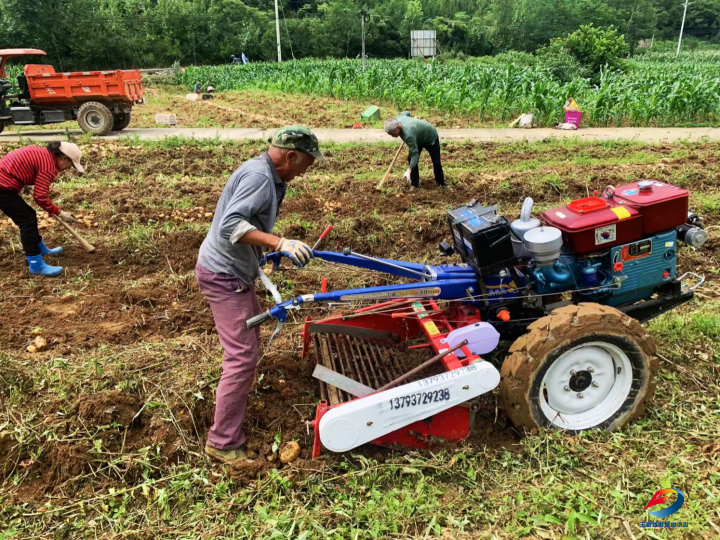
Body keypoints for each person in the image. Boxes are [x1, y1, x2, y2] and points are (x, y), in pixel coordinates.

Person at [196, 126, 325, 464]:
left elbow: (245, 226)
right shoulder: (258, 177)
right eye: (307, 163)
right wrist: (279, 242)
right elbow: (230, 225)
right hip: (224, 275)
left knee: (249, 337)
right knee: (241, 357)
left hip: (234, 270)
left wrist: (266, 255)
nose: (306, 171)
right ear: (291, 156)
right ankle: (222, 442)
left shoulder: (268, 174)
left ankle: (231, 410)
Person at [0, 142, 83, 276]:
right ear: (63, 158)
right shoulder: (49, 167)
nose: (69, 169)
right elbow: (40, 197)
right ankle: (36, 264)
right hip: (2, 186)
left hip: (4, 179)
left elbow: (22, 164)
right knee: (27, 221)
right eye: (71, 165)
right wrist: (59, 212)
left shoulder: (44, 154)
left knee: (30, 215)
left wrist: (24, 182)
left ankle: (41, 248)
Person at [384, 112, 445, 188]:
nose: (392, 136)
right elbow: (407, 113)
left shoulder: (408, 135)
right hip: (417, 137)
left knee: (436, 162)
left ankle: (441, 184)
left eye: (393, 134)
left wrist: (409, 170)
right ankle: (414, 184)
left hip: (430, 138)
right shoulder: (397, 119)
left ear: (398, 127)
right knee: (410, 159)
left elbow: (415, 155)